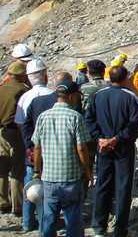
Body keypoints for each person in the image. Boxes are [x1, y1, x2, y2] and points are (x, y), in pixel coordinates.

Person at [32, 76, 92, 237]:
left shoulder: (43, 117)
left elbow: (36, 148)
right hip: (71, 178)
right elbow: (81, 148)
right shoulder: (75, 117)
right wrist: (87, 170)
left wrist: (37, 171)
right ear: (72, 96)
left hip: (49, 177)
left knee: (49, 216)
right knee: (73, 217)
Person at [85, 65, 138, 237]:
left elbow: (89, 119)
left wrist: (100, 138)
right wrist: (116, 139)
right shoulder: (131, 98)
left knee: (103, 184)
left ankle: (99, 226)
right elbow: (135, 126)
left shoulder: (97, 96)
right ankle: (120, 228)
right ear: (125, 78)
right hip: (123, 149)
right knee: (123, 187)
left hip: (103, 148)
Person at [15, 58, 53, 231]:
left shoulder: (25, 97)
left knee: (30, 185)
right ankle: (46, 222)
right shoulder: (53, 96)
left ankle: (27, 222)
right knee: (48, 188)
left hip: (31, 150)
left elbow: (20, 123)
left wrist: (29, 146)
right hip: (52, 150)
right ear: (45, 75)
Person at [0, 61, 30, 215]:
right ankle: (17, 206)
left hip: (1, 132)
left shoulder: (1, 88)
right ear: (22, 75)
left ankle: (2, 202)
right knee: (17, 169)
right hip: (15, 131)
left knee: (2, 168)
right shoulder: (22, 90)